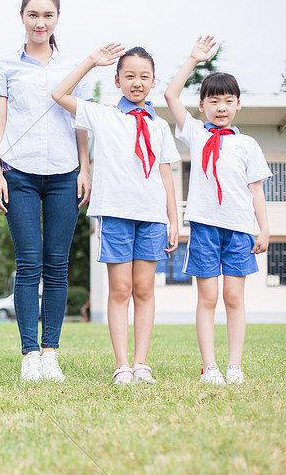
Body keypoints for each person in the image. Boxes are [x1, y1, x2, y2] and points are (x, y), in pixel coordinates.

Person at [52, 44, 180, 385]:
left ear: (153, 81)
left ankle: (141, 363)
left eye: (144, 76)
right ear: (117, 80)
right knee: (120, 289)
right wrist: (91, 61)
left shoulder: (160, 127)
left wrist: (174, 220)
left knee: (145, 289)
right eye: (130, 76)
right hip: (115, 213)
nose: (137, 82)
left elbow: (166, 174)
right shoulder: (103, 115)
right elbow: (59, 94)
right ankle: (122, 364)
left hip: (152, 216)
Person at [0, 0, 90, 382]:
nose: (40, 23)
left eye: (47, 15)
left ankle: (51, 353)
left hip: (65, 173)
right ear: (22, 17)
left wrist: (84, 168)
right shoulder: (5, 67)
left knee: (57, 265)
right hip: (18, 173)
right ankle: (29, 353)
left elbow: (81, 122)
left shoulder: (73, 67)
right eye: (33, 15)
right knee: (29, 263)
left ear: (57, 18)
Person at [164, 36, 271, 385]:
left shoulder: (247, 144)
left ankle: (234, 366)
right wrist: (193, 59)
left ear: (238, 103)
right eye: (213, 100)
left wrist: (264, 229)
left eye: (227, 100)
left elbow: (256, 190)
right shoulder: (196, 133)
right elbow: (170, 95)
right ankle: (210, 366)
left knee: (234, 296)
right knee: (208, 296)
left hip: (239, 229)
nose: (221, 107)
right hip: (205, 227)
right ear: (203, 104)